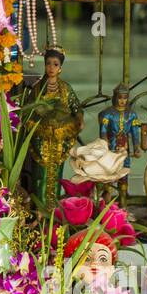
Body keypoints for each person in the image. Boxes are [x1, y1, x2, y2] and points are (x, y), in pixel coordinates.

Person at [25, 48, 83, 209]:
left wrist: (79, 118)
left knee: (55, 174)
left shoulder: (66, 89)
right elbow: (28, 110)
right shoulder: (38, 89)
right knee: (40, 175)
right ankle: (39, 210)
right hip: (42, 139)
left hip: (59, 139)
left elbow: (76, 108)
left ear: (60, 68)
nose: (51, 67)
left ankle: (54, 212)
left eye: (55, 64)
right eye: (48, 64)